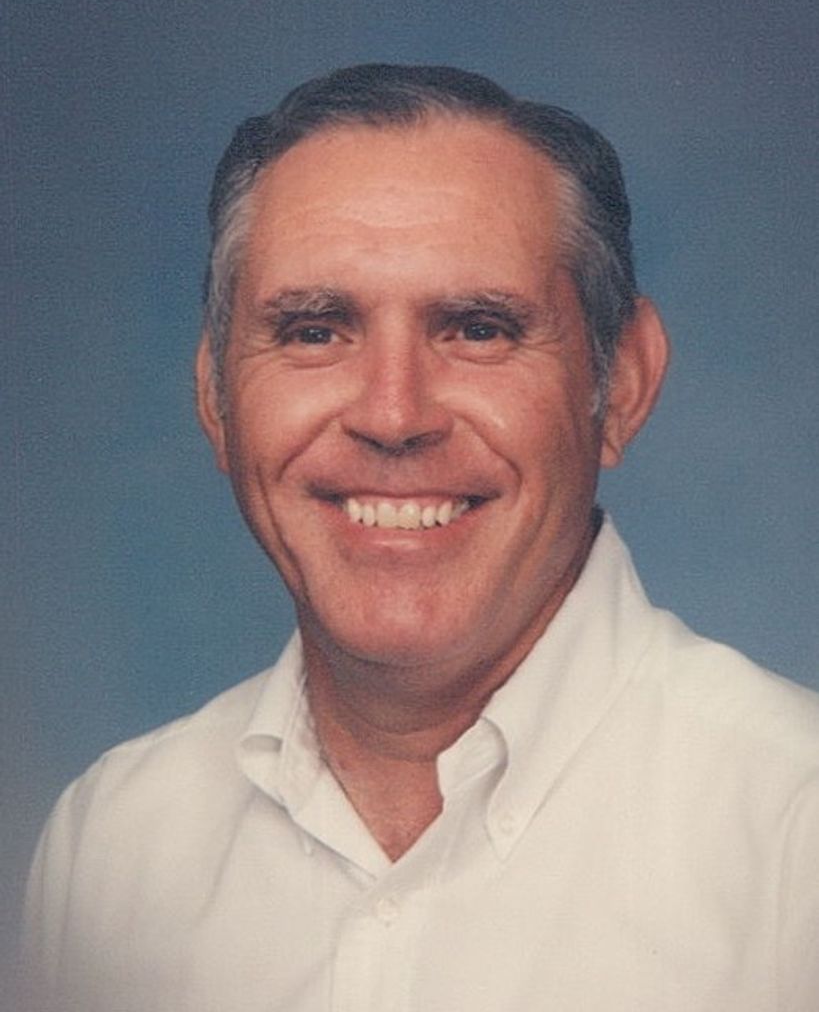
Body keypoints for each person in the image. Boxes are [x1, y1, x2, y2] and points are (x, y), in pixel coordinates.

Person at [23, 64, 819, 1011]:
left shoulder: (793, 826)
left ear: (624, 384)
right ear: (214, 397)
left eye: (477, 329)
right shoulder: (112, 842)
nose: (393, 414)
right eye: (314, 331)